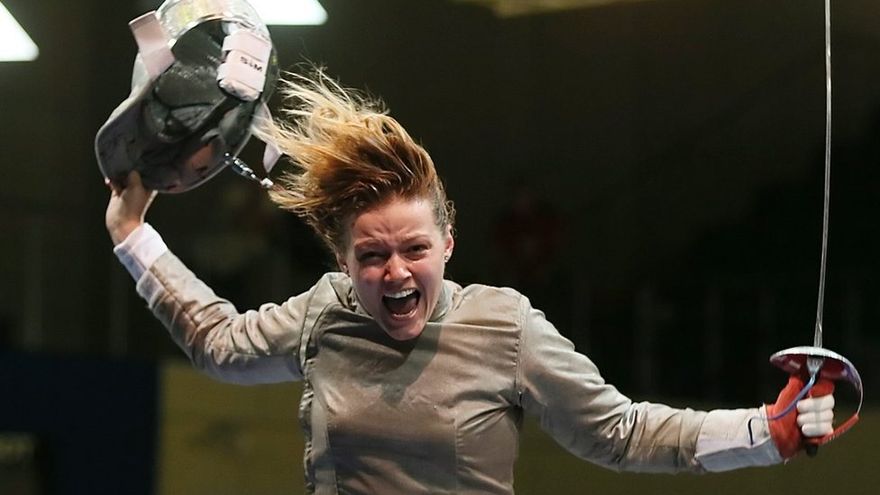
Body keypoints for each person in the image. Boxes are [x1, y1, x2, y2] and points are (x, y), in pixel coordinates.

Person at [105, 69, 837, 494]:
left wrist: (764, 432)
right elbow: (219, 343)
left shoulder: (504, 325)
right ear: (343, 262)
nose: (395, 271)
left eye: (414, 249)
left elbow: (620, 432)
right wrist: (133, 233)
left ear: (448, 245)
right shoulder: (324, 314)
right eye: (372, 256)